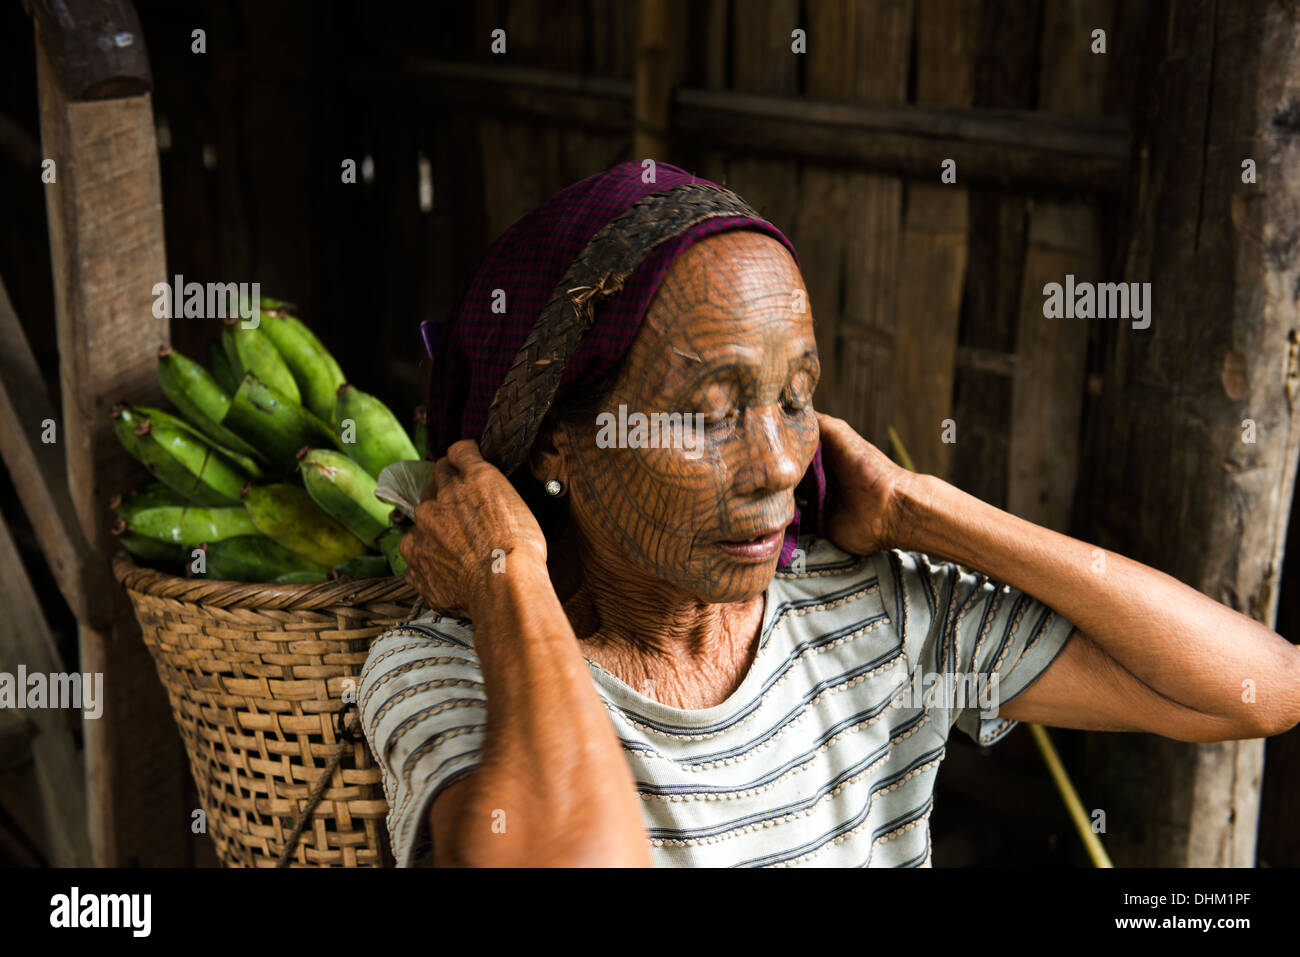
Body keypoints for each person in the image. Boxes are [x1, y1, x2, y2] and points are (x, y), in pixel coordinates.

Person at [359, 161, 1300, 868]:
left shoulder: (865, 608)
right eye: (709, 413)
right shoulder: (455, 668)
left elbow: (1260, 689)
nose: (775, 463)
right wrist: (507, 573)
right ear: (557, 441)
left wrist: (919, 507)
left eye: (797, 398)